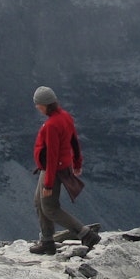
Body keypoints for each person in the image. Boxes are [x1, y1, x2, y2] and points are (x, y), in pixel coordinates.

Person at [29, 85, 100, 254]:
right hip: (57, 167)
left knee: (50, 207)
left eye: (38, 104)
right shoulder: (65, 116)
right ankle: (47, 242)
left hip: (52, 170)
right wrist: (77, 163)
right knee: (39, 202)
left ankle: (85, 233)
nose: (36, 107)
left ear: (45, 104)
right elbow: (74, 141)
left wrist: (47, 185)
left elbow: (52, 156)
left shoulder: (52, 125)